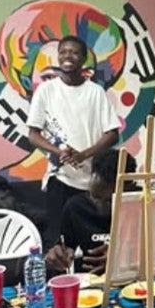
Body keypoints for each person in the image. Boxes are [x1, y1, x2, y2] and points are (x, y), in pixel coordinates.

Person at [27, 35, 120, 250]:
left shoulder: (95, 92)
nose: (67, 56)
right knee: (58, 244)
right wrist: (58, 152)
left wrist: (84, 154)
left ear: (84, 59)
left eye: (74, 52)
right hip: (60, 179)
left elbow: (112, 134)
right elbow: (33, 135)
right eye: (63, 52)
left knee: (92, 243)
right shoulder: (46, 91)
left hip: (92, 183)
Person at [45, 148, 140, 275]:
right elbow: (65, 246)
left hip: (139, 280)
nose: (101, 209)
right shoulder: (76, 207)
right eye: (95, 197)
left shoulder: (146, 205)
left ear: (131, 188)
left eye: (110, 201)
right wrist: (58, 255)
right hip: (91, 281)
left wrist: (124, 260)